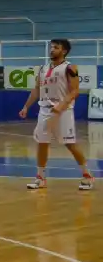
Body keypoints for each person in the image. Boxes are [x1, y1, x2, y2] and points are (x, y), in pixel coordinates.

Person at [19, 38, 93, 191]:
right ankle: (40, 177)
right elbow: (36, 90)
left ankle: (87, 176)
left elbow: (75, 91)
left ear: (64, 51)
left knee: (70, 144)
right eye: (51, 47)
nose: (52, 50)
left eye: (56, 47)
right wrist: (26, 106)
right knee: (42, 142)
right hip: (44, 110)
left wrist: (60, 106)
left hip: (63, 111)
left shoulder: (70, 67)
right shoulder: (43, 68)